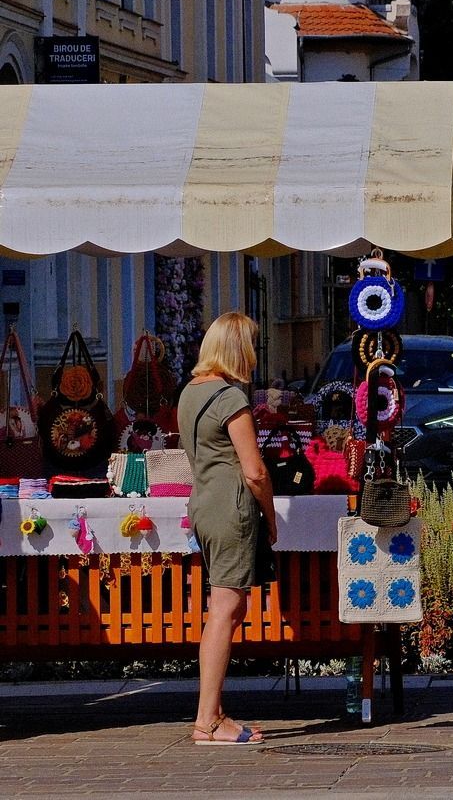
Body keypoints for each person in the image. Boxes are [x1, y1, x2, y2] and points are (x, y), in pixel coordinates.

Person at [182, 312, 276, 746]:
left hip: (203, 503)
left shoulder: (190, 393)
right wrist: (271, 519)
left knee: (226, 609)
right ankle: (208, 720)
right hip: (230, 506)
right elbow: (255, 471)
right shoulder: (229, 398)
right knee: (224, 611)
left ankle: (212, 713)